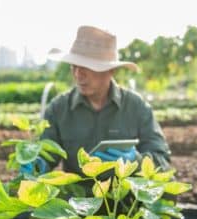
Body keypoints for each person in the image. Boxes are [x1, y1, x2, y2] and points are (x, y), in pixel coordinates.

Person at [41, 25, 171, 174]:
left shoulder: (136, 107)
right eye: (74, 67)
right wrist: (37, 163)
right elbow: (46, 153)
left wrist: (137, 161)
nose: (78, 74)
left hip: (126, 195)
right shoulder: (59, 109)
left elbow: (162, 159)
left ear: (111, 70)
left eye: (87, 67)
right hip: (77, 196)